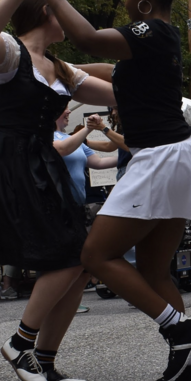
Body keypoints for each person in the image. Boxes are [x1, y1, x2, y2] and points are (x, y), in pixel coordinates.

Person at [11, 0, 191, 381]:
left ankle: (178, 329)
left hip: (162, 156)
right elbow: (106, 70)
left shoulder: (148, 30)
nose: (125, 3)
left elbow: (90, 39)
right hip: (176, 154)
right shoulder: (155, 43)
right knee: (153, 271)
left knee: (95, 256)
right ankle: (185, 368)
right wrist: (56, 69)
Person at [0, 0, 116, 381]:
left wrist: (149, 74)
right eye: (59, 8)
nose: (68, 15)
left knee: (82, 265)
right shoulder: (10, 54)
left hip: (41, 166)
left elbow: (118, 92)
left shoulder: (61, 69)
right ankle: (19, 341)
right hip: (10, 163)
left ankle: (43, 363)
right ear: (46, 11)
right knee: (72, 255)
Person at [54, 109, 119, 314]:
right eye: (63, 109)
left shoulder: (71, 138)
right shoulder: (47, 136)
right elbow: (62, 149)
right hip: (56, 206)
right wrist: (88, 130)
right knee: (65, 255)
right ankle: (59, 300)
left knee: (78, 255)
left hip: (76, 206)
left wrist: (129, 157)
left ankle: (69, 299)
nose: (68, 112)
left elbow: (99, 162)